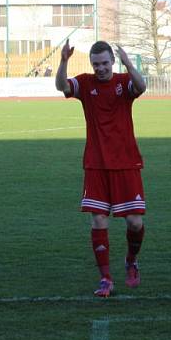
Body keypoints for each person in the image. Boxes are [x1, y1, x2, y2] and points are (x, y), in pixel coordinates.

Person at [55, 40, 147, 297]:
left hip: (126, 162)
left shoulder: (122, 82)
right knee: (98, 219)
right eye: (96, 64)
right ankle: (106, 278)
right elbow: (62, 86)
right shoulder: (85, 83)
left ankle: (131, 260)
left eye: (105, 63)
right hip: (96, 164)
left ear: (112, 62)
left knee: (135, 222)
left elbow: (141, 86)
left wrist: (129, 64)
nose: (101, 68)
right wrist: (63, 61)